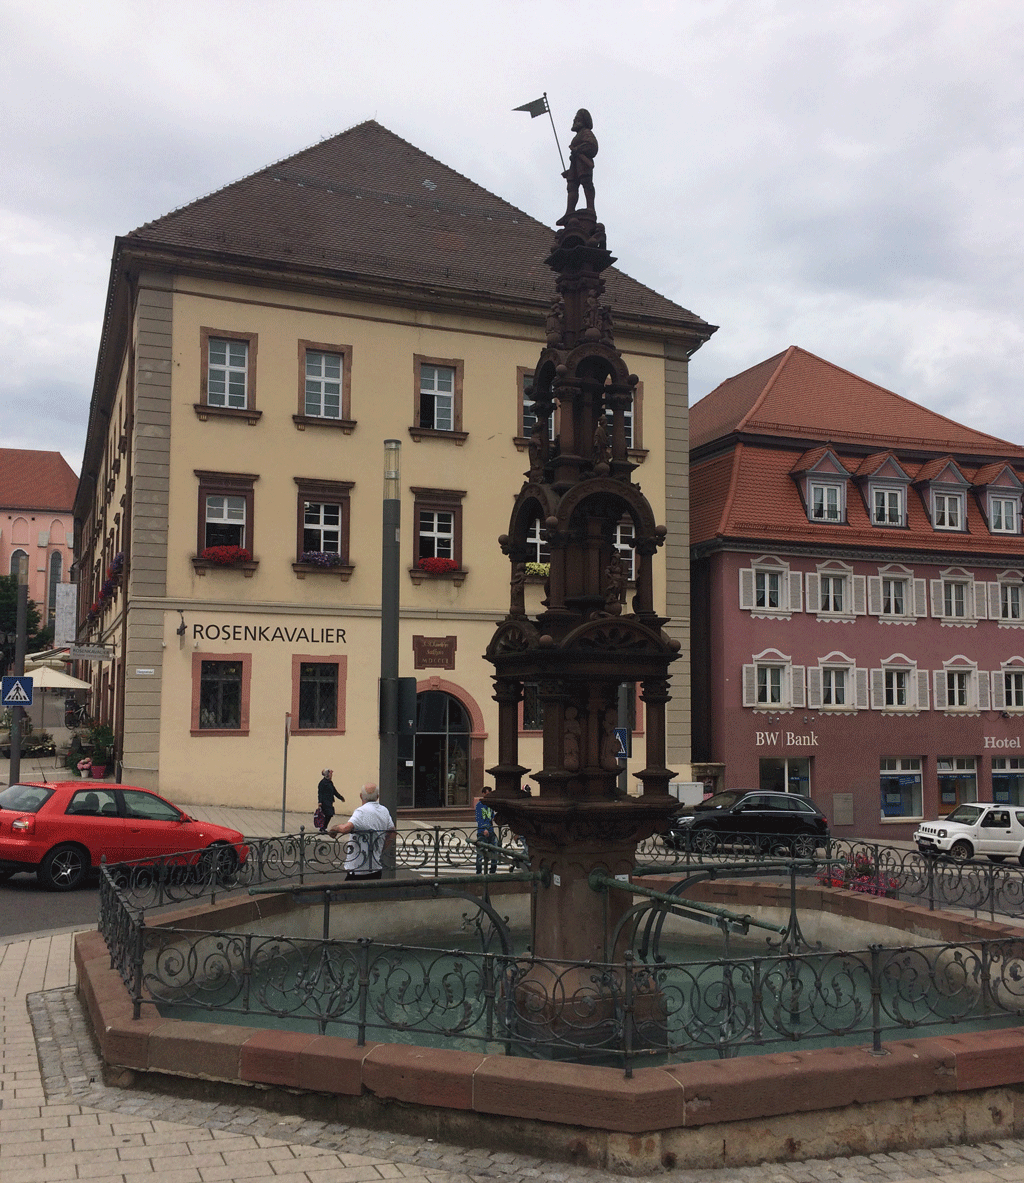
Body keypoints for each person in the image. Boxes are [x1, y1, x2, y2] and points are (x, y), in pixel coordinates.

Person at [329, 783, 394, 879]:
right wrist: (381, 849)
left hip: (358, 868)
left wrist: (335, 828)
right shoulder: (384, 810)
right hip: (375, 866)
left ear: (361, 796)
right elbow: (392, 832)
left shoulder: (361, 812)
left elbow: (346, 828)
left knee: (345, 893)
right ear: (377, 796)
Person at [474, 787, 497, 874]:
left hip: (490, 830)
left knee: (495, 850)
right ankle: (479, 871)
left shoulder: (490, 805)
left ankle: (493, 870)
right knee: (480, 852)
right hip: (482, 831)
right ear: (483, 794)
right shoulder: (479, 805)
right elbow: (478, 819)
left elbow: (492, 816)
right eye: (487, 794)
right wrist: (483, 829)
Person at [316, 768, 344, 833]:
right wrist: (320, 802)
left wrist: (340, 797)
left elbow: (334, 791)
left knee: (329, 814)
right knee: (328, 814)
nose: (331, 776)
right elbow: (320, 793)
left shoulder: (330, 782)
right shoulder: (322, 783)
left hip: (329, 801)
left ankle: (323, 828)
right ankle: (322, 828)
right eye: (330, 774)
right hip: (324, 802)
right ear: (327, 775)